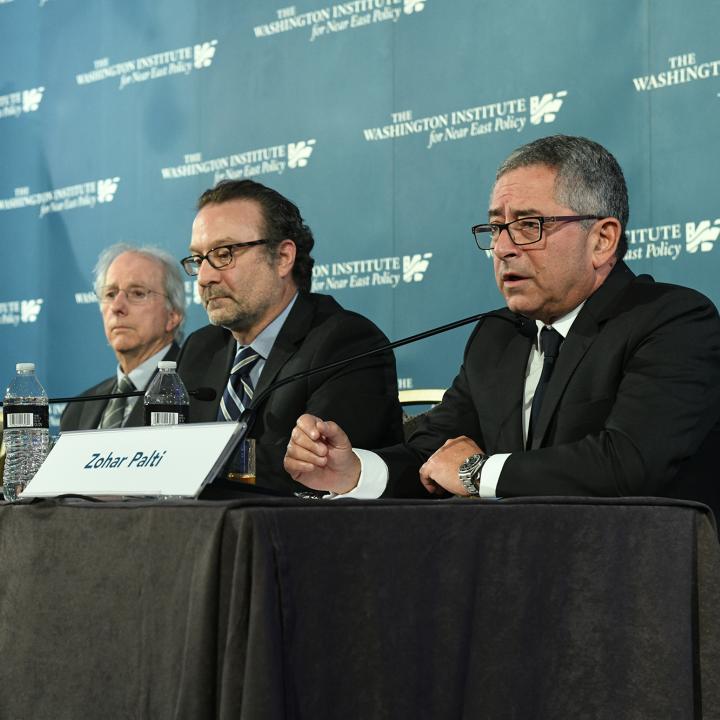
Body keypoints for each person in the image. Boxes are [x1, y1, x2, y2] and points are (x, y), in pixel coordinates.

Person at [284, 134, 720, 518]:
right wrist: (356, 471)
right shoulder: (498, 336)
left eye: (529, 225)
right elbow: (433, 454)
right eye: (496, 228)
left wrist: (477, 473)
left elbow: (628, 463)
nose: (504, 248)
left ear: (602, 239)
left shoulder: (673, 320)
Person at [176, 179, 403, 494]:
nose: (204, 278)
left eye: (224, 254)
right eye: (199, 260)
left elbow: (318, 468)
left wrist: (197, 457)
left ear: (283, 257)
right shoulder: (201, 347)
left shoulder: (347, 342)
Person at [60, 244, 185, 431]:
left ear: (172, 315)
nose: (117, 306)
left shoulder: (196, 390)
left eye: (137, 293)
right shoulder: (78, 409)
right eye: (110, 294)